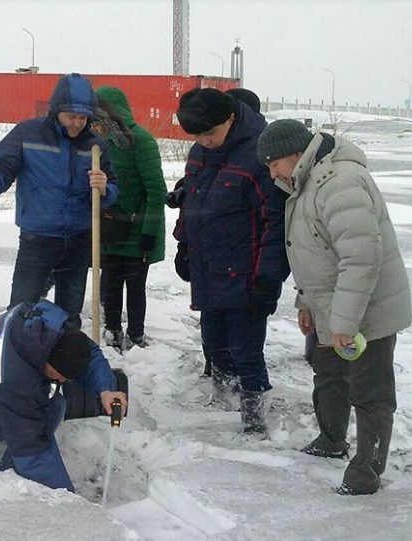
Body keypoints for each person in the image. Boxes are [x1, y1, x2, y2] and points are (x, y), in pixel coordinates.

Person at [257, 118, 412, 495]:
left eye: (274, 163)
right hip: (333, 306)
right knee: (327, 370)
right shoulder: (305, 181)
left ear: (296, 153)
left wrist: (345, 321)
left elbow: (361, 258)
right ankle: (332, 439)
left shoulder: (338, 182)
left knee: (370, 390)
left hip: (368, 310)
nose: (272, 172)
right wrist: (307, 302)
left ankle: (366, 472)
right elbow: (314, 251)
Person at [173, 88, 290, 434]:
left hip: (245, 273)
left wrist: (269, 277)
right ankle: (222, 403)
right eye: (197, 136)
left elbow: (275, 222)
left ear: (230, 119)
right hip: (208, 267)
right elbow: (193, 203)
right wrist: (184, 244)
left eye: (210, 133)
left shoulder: (259, 153)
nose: (204, 141)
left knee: (246, 350)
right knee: (214, 344)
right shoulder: (200, 151)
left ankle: (255, 419)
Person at [0, 73, 118, 330]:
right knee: (22, 308)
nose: (77, 123)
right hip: (38, 238)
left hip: (80, 239)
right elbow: (0, 171)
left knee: (69, 313)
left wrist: (104, 189)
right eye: (71, 116)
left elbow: (112, 188)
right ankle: (17, 361)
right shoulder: (28, 134)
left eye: (83, 117)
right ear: (56, 110)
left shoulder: (95, 145)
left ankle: (63, 364)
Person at [0, 299, 128, 493]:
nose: (61, 381)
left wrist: (106, 389)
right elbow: (32, 446)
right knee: (47, 410)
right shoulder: (12, 380)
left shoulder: (47, 326)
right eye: (59, 376)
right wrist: (68, 502)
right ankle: (7, 478)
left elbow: (86, 351)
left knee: (52, 402)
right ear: (47, 359)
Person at [92, 85, 166, 351]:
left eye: (100, 120)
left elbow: (156, 189)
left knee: (135, 286)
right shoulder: (95, 144)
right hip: (109, 227)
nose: (96, 126)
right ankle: (112, 332)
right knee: (110, 282)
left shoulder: (140, 141)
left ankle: (136, 335)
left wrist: (148, 231)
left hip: (137, 229)